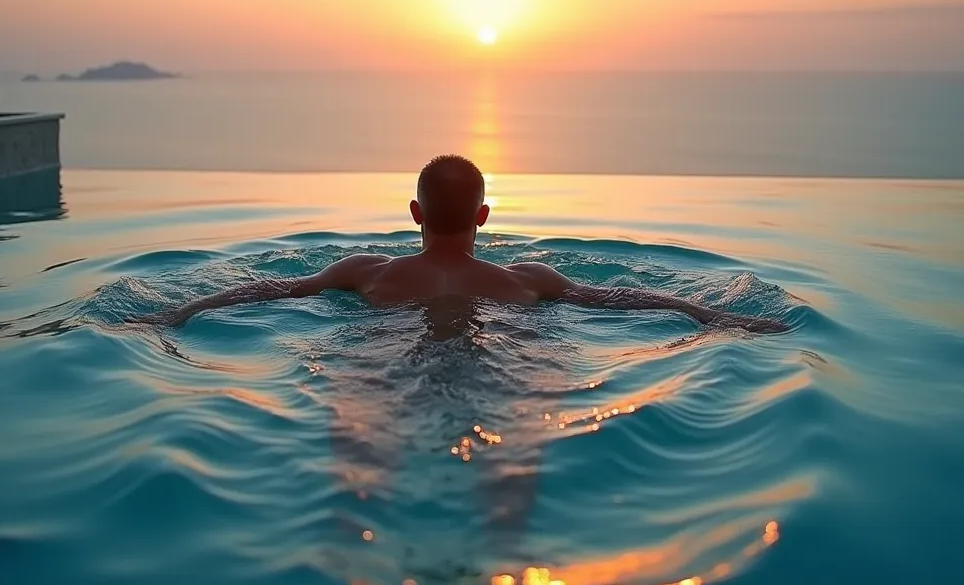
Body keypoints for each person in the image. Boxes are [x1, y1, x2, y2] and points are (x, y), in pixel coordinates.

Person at [137, 154, 787, 333]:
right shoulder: (529, 280)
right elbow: (628, 300)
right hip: (510, 352)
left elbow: (269, 290)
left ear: (414, 211)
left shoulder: (366, 271)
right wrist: (717, 313)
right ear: (483, 215)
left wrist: (176, 311)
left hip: (382, 355)